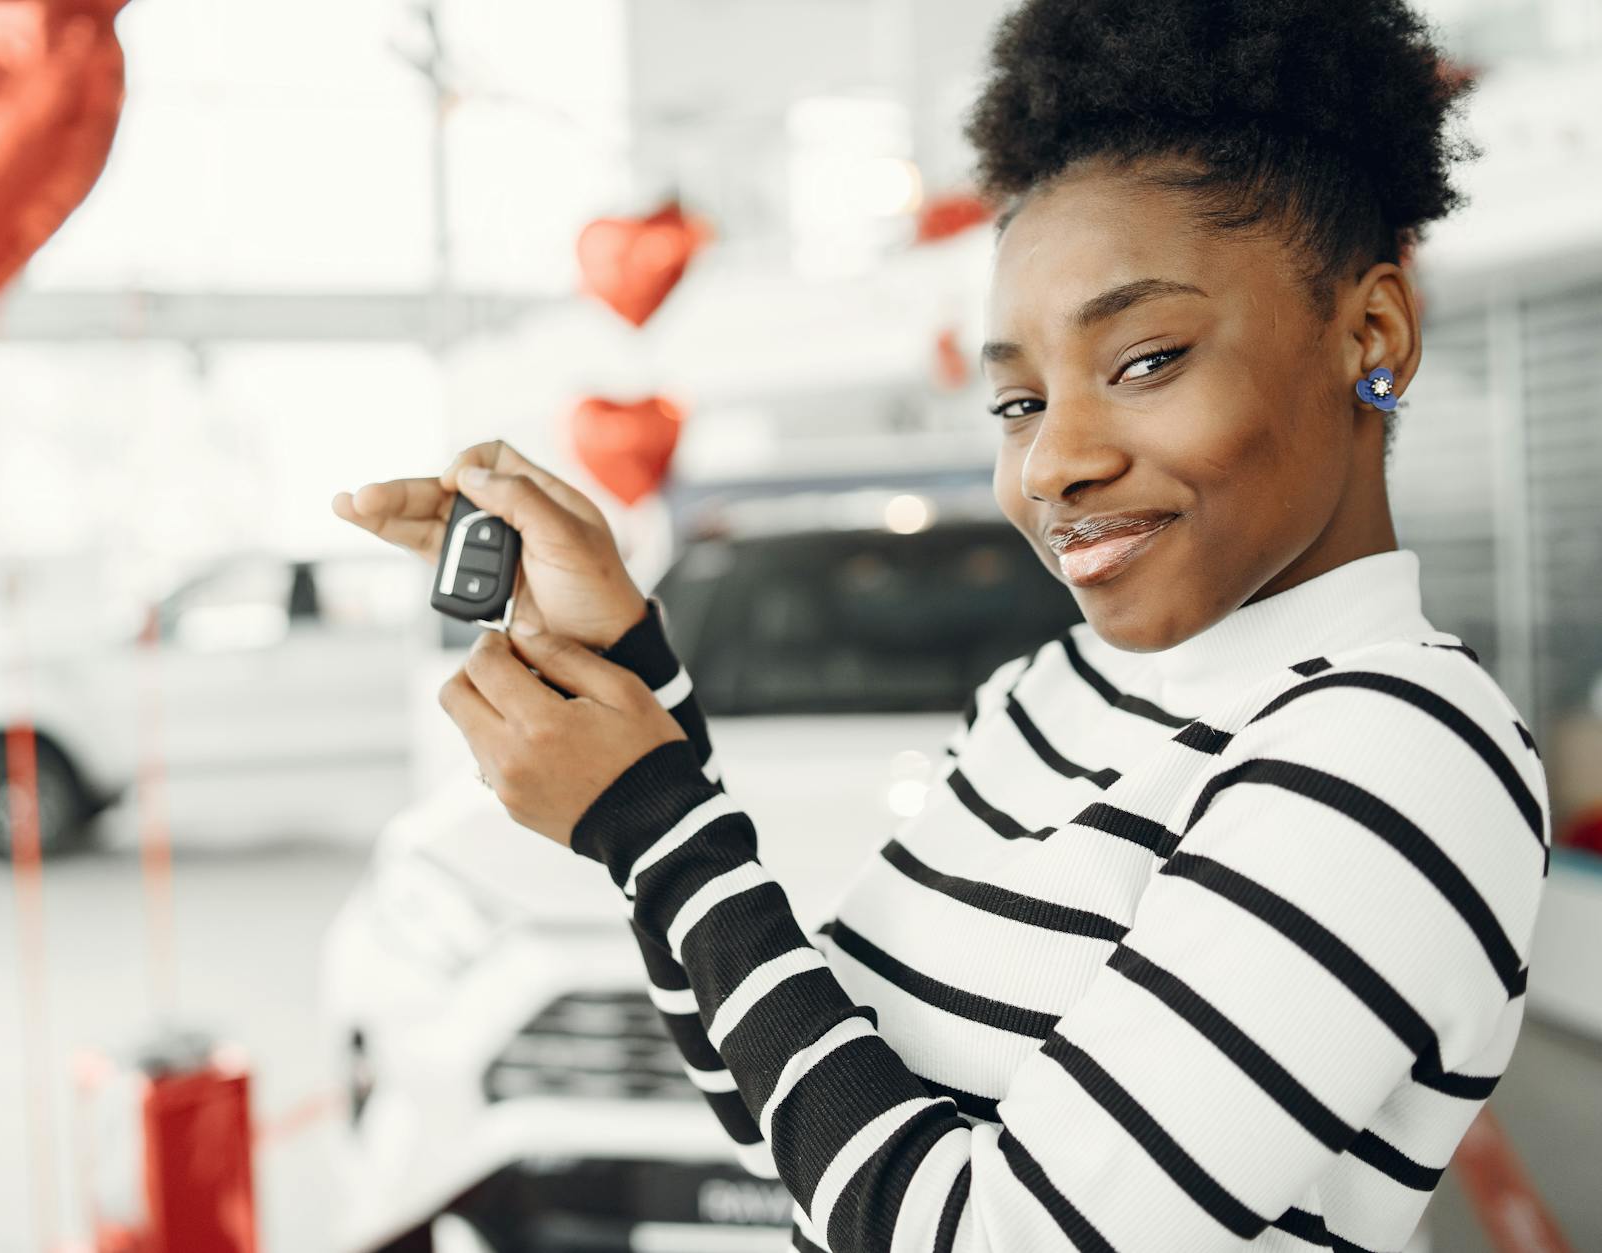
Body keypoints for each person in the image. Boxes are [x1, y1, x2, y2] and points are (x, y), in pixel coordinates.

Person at [331, 0, 1549, 1248]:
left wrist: (652, 822)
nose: (1053, 462)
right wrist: (638, 680)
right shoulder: (1048, 694)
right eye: (1018, 399)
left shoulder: (1393, 751)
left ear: (1372, 334)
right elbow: (795, 1101)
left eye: (1142, 359)